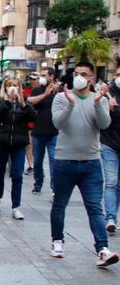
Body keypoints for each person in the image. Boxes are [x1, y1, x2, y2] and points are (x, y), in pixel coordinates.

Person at [50, 61, 120, 267]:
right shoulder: (62, 98)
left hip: (90, 163)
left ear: (91, 78)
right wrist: (71, 104)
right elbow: (58, 123)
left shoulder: (99, 99)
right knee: (60, 204)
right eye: (77, 73)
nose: (80, 77)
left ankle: (102, 249)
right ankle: (57, 240)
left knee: (94, 208)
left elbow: (104, 124)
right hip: (64, 161)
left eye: (85, 74)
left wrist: (98, 103)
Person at [0, 77, 37, 220]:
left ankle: (16, 206)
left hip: (18, 142)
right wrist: (9, 101)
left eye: (15, 85)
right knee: (0, 170)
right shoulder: (0, 101)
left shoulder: (25, 102)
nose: (12, 88)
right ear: (5, 87)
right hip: (2, 141)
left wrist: (23, 104)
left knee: (17, 174)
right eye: (9, 85)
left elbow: (33, 117)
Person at [28, 68, 60, 195]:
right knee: (38, 161)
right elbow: (30, 101)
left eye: (44, 75)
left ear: (51, 77)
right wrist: (45, 94)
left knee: (54, 161)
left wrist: (57, 93)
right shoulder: (37, 90)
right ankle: (38, 184)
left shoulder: (58, 92)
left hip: (53, 132)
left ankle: (54, 187)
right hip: (38, 131)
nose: (41, 78)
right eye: (41, 75)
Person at [102, 67, 120, 234]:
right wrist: (107, 106)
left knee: (118, 185)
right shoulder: (107, 93)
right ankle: (110, 218)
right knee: (111, 182)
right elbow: (100, 118)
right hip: (109, 144)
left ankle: (113, 214)